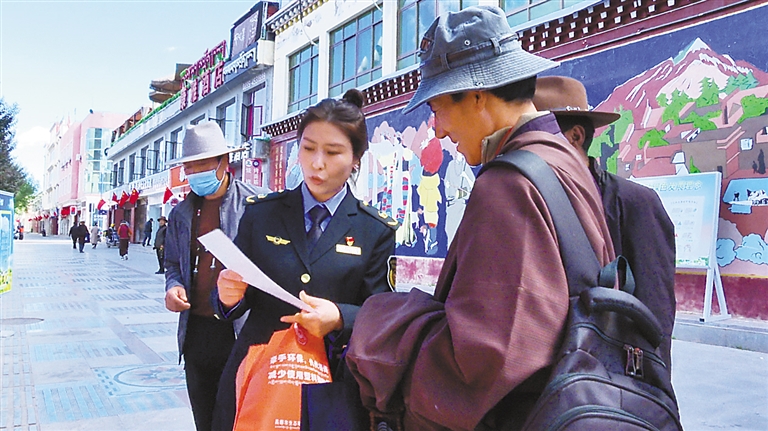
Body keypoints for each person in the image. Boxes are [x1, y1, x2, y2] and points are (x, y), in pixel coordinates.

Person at [345, 6, 615, 430]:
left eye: (437, 109)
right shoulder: (560, 159)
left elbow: (482, 359)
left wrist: (377, 323)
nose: (437, 130)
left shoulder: (507, 185)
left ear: (475, 95)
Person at [212, 89, 398, 431]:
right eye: (308, 148)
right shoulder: (262, 215)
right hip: (259, 372)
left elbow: (382, 313)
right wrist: (227, 296)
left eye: (333, 152)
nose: (317, 163)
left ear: (356, 158)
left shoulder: (374, 230)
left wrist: (339, 316)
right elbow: (235, 300)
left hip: (331, 381)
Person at [533, 76, 677, 368]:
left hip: (607, 370)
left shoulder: (634, 202)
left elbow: (655, 307)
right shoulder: (531, 196)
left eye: (538, 139)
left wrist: (649, 379)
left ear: (575, 137)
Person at [163, 121, 270, 431]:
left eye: (202, 165)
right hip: (196, 333)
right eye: (189, 167)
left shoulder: (257, 204)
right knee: (205, 418)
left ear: (224, 162)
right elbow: (172, 263)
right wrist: (173, 286)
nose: (195, 172)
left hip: (240, 331)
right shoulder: (181, 213)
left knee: (239, 417)